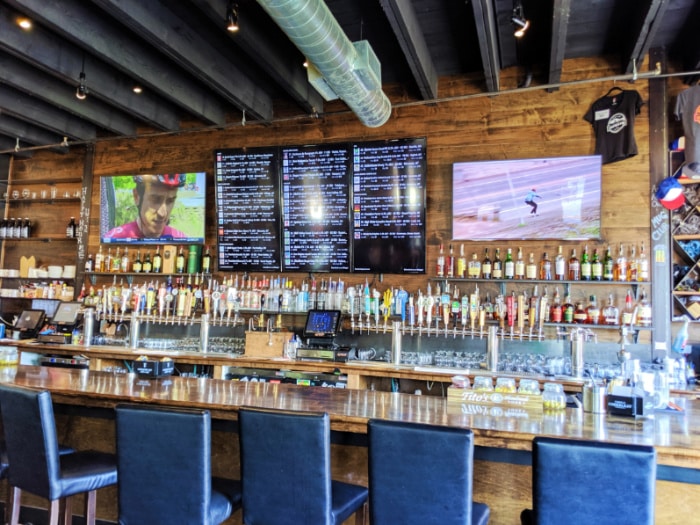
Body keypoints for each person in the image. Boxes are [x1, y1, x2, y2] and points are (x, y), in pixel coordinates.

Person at [105, 174, 187, 239]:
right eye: (156, 200)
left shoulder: (180, 239)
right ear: (136, 196)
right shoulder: (116, 237)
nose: (163, 213)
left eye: (170, 201)